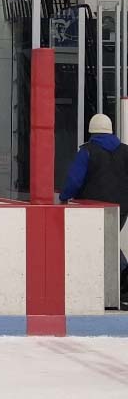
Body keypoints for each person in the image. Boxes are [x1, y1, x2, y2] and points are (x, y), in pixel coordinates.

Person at [59, 113, 128, 309]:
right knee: (108, 242)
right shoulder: (126, 151)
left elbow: (74, 180)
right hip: (121, 209)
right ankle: (118, 281)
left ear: (91, 132)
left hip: (92, 208)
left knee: (100, 243)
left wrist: (64, 197)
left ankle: (121, 277)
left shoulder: (87, 151)